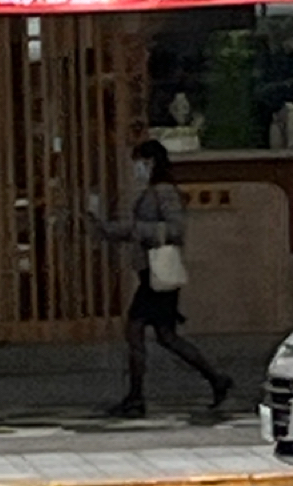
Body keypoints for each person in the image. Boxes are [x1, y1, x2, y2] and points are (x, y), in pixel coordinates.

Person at [91, 139, 233, 418]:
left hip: (156, 275)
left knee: (136, 330)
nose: (137, 168)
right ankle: (215, 379)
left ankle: (136, 397)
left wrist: (135, 230)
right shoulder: (155, 191)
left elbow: (175, 229)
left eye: (140, 162)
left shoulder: (164, 191)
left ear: (151, 162)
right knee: (166, 336)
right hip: (154, 273)